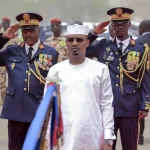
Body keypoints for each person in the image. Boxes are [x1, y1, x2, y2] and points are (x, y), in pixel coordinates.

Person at [86, 7, 150, 150]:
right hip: (107, 108)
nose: (119, 27)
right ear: (112, 26)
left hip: (130, 107)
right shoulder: (103, 46)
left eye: (123, 23)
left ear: (129, 24)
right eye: (116, 24)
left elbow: (146, 78)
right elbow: (80, 49)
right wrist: (93, 34)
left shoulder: (140, 48)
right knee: (108, 146)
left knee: (130, 146)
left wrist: (145, 104)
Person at [44, 24, 115, 150]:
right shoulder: (55, 71)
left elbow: (107, 105)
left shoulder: (100, 69)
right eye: (71, 40)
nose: (75, 43)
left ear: (87, 43)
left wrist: (108, 139)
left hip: (92, 136)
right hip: (62, 137)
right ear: (66, 43)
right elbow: (48, 107)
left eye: (79, 40)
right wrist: (46, 138)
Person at [0, 12, 58, 150]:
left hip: (38, 110)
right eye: (25, 31)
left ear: (39, 30)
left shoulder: (51, 53)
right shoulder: (11, 51)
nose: (28, 34)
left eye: (32, 30)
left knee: (37, 147)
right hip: (15, 110)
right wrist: (3, 38)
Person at [0, 17, 21, 106]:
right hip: (1, 62)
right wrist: (3, 38)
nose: (5, 24)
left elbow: (20, 48)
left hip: (10, 64)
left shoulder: (15, 37)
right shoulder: (3, 35)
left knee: (7, 85)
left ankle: (6, 103)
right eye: (4, 23)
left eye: (6, 22)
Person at [136, 19, 150, 145]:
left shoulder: (137, 43)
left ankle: (140, 136)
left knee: (142, 108)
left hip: (143, 79)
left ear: (141, 28)